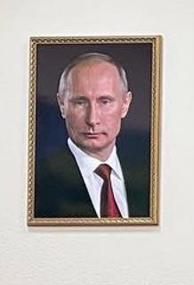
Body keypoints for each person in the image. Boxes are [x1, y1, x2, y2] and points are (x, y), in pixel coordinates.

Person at [33, 51, 150, 219]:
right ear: (62, 105)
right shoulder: (38, 181)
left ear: (125, 104)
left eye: (105, 102)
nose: (92, 119)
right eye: (80, 103)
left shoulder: (149, 174)